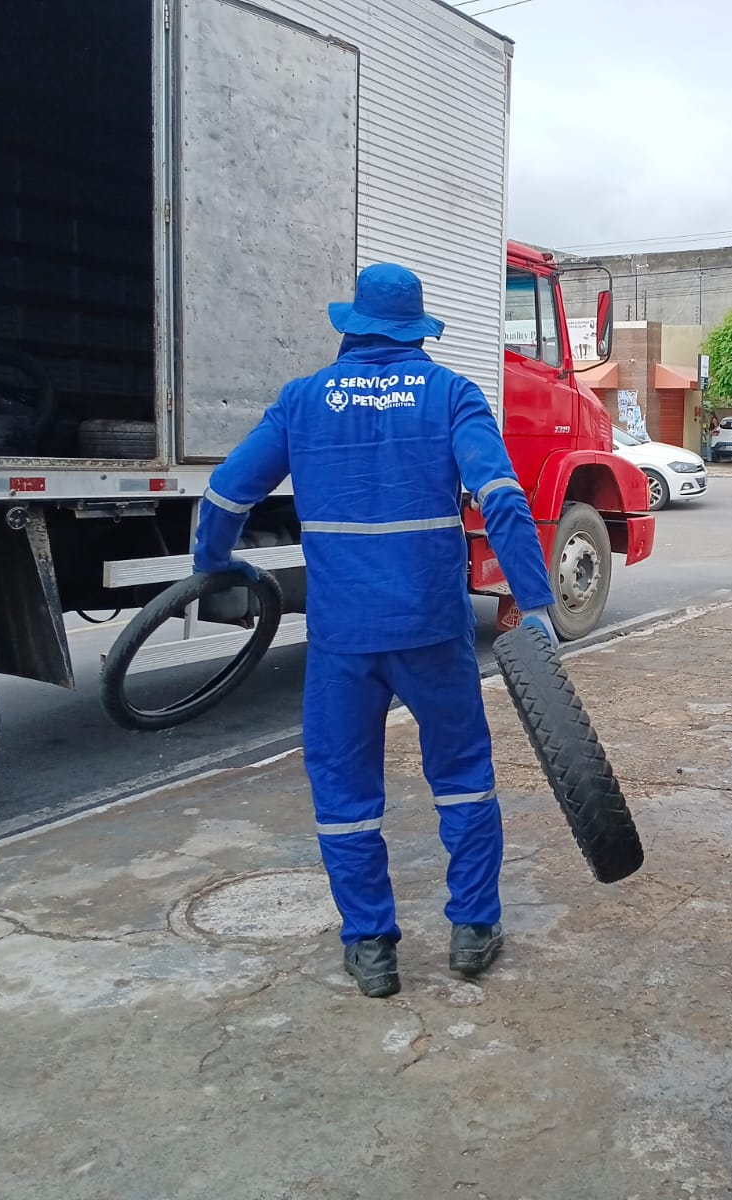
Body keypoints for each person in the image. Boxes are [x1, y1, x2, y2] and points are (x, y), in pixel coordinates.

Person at [190, 263, 558, 999]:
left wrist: (212, 570)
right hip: (432, 633)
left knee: (344, 793)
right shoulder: (452, 393)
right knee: (461, 781)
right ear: (419, 330)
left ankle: (371, 950)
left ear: (350, 325)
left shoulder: (302, 401)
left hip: (341, 643)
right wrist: (536, 604)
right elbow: (504, 500)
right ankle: (473, 931)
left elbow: (227, 491)